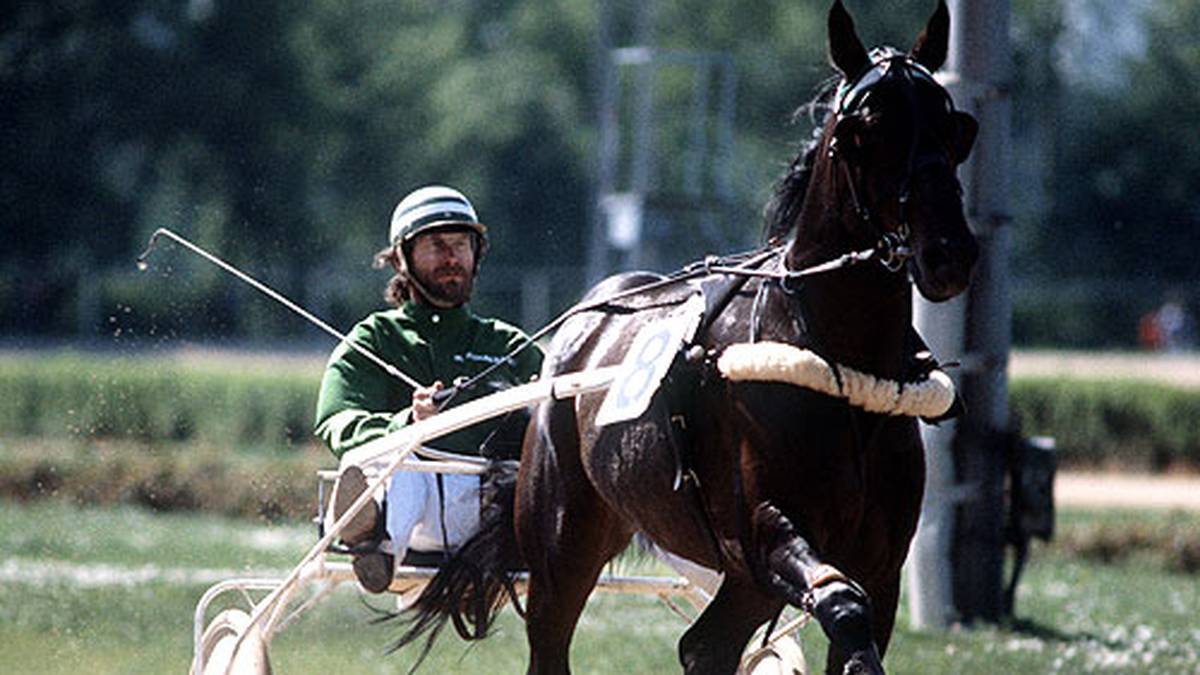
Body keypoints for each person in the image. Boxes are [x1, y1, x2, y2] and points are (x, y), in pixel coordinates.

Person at [314, 185, 543, 593]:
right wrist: (408, 423)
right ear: (402, 258)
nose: (452, 257)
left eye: (461, 244)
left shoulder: (509, 346)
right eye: (436, 245)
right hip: (411, 510)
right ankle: (374, 543)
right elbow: (337, 420)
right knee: (407, 458)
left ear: (477, 254)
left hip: (493, 512)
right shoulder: (374, 339)